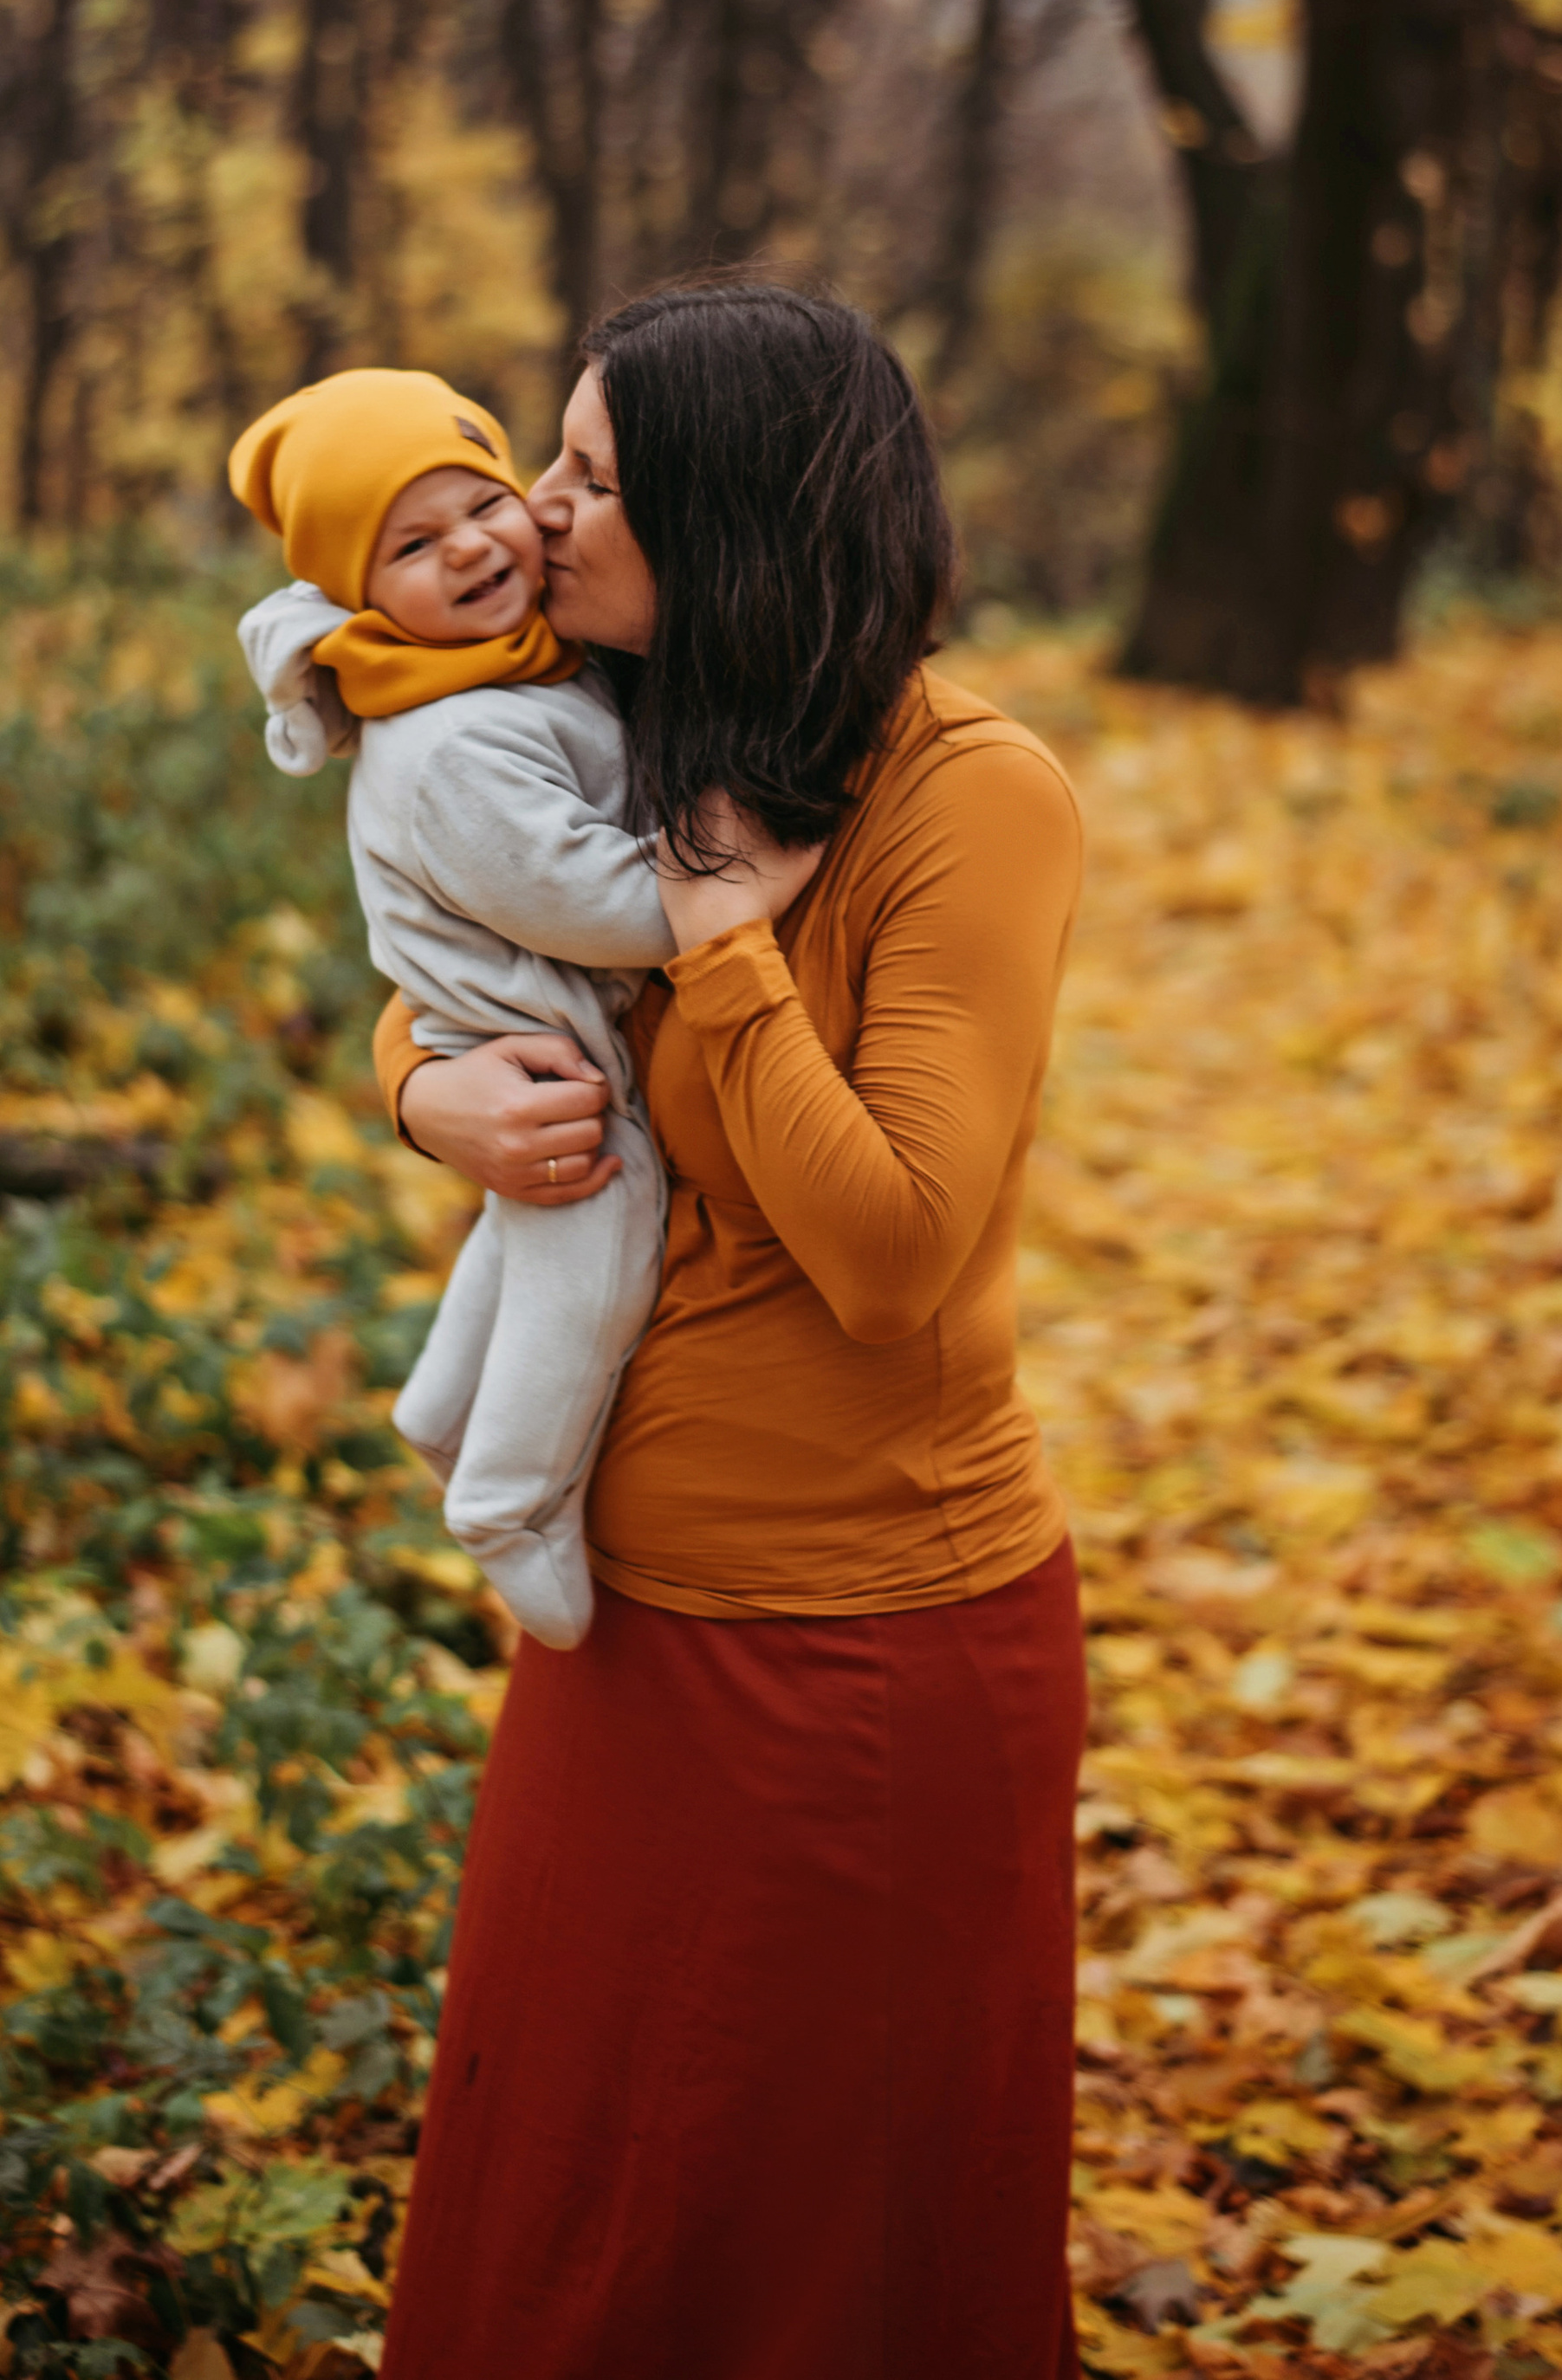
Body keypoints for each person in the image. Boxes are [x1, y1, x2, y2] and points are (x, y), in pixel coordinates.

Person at [371, 285, 1089, 2380]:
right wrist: (422, 1090)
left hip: (862, 1662)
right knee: (570, 2225)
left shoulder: (970, 797)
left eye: (593, 478)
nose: (537, 505)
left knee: (812, 2279)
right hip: (628, 1628)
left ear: (738, 520)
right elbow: (451, 956)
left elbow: (890, 1251)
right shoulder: (654, 730)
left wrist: (718, 947)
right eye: (551, 456)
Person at [229, 367, 672, 1651]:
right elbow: (588, 899)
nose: (476, 543)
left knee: (514, 1237)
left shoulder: (503, 665)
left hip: (513, 1019)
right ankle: (509, 1495)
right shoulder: (455, 731)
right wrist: (710, 887)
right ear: (359, 595)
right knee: (598, 1216)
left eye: (481, 501)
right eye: (413, 547)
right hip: (537, 1024)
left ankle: (439, 1409)